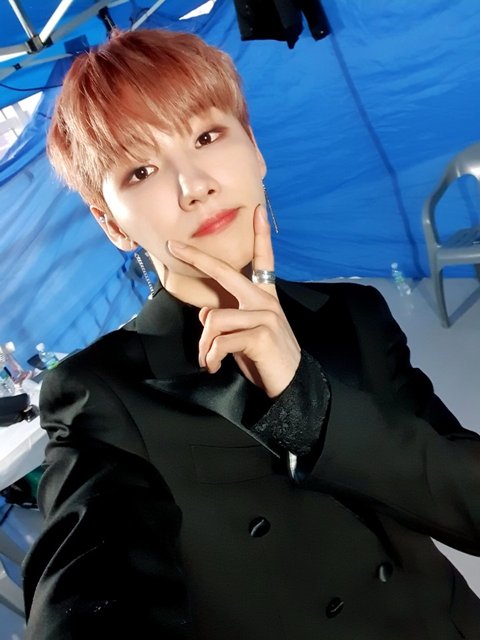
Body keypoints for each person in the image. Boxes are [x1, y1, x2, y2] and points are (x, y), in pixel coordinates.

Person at [23, 28, 480, 640]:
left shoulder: (352, 314)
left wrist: (308, 404)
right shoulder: (100, 395)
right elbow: (89, 599)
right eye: (141, 170)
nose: (194, 186)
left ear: (255, 149)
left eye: (207, 137)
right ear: (112, 224)